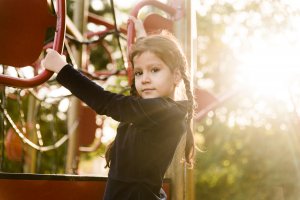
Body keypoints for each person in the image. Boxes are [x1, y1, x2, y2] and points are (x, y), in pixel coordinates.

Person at [41, 17, 195, 200]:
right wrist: (143, 41)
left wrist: (63, 69)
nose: (144, 79)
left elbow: (108, 102)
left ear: (176, 76)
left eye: (154, 70)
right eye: (139, 72)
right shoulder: (154, 111)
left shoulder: (165, 112)